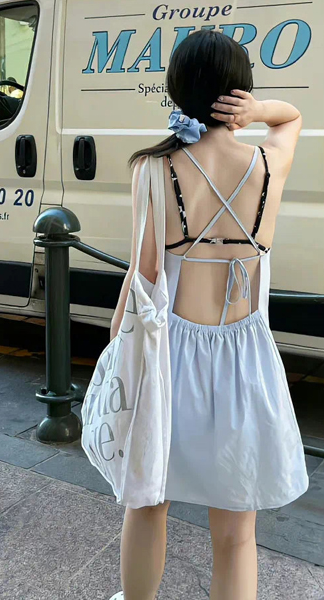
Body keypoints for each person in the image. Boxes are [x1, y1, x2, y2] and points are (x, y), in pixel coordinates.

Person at [108, 30, 309, 600]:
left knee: (147, 502)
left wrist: (114, 350)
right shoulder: (267, 165)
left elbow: (143, 275)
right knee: (237, 533)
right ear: (238, 91)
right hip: (245, 356)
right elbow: (291, 118)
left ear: (177, 88)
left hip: (170, 355)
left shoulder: (154, 168)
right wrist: (257, 111)